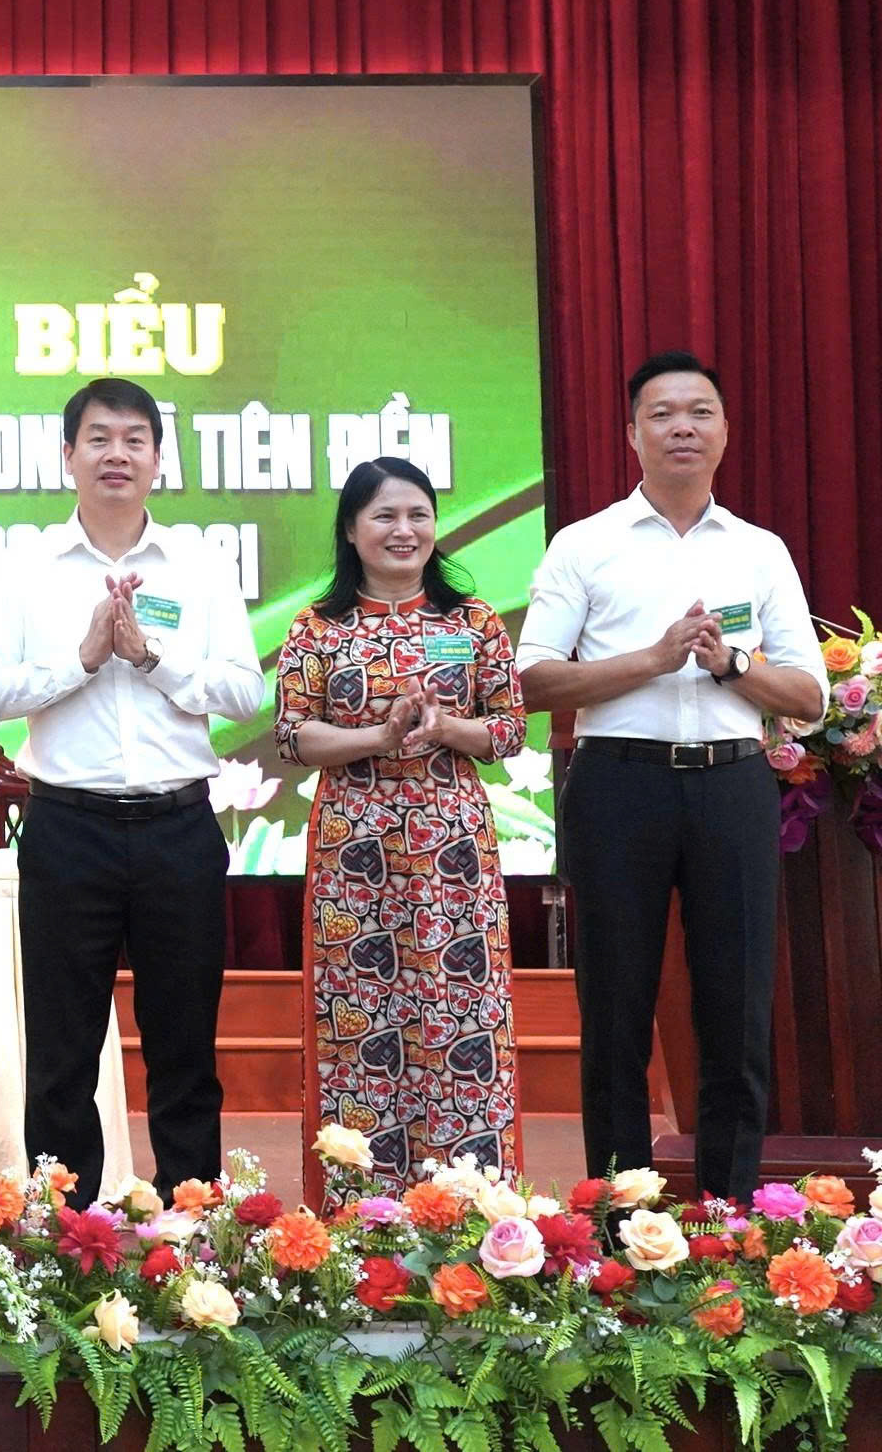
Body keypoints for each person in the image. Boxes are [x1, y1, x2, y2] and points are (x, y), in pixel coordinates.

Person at [520, 352, 824, 1200]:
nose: (682, 426)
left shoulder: (759, 551)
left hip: (732, 784)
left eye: (700, 411)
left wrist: (731, 664)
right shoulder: (585, 545)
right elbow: (531, 678)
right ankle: (622, 1222)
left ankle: (726, 1217)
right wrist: (651, 660)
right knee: (615, 1012)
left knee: (737, 1010)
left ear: (724, 430)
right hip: (618, 784)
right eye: (661, 413)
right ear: (632, 434)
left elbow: (808, 694)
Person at [0, 377, 266, 1206]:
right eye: (99, 438)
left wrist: (149, 657)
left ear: (157, 459)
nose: (117, 454)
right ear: (68, 456)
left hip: (179, 827)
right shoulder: (27, 569)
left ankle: (194, 1226)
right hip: (69, 828)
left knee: (184, 1045)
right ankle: (67, 1235)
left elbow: (245, 692)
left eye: (134, 439)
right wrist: (81, 658)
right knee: (62, 1051)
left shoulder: (200, 565)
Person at [275, 458, 527, 1202]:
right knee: (361, 1016)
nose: (403, 530)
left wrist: (446, 726)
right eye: (384, 515)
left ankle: (469, 1206)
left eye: (418, 514)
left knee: (460, 1010)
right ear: (351, 530)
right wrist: (377, 739)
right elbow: (293, 735)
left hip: (452, 846)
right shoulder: (318, 627)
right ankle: (364, 1213)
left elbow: (510, 729)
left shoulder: (473, 622)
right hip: (355, 845)